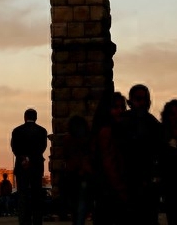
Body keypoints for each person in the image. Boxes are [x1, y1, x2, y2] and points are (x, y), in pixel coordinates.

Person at [120, 85, 163, 225]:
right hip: (127, 181)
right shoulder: (122, 122)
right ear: (130, 101)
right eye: (139, 99)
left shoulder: (153, 123)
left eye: (145, 99)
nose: (142, 103)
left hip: (147, 182)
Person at [91, 91, 127, 225]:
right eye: (116, 107)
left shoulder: (108, 129)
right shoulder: (107, 131)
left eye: (122, 107)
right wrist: (122, 189)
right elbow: (109, 164)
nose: (120, 111)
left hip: (106, 191)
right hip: (111, 192)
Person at [10, 108, 48, 225]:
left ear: (25, 117)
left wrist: (24, 158)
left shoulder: (16, 131)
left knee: (22, 195)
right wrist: (31, 159)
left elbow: (14, 147)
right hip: (36, 166)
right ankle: (37, 220)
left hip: (22, 166)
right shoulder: (42, 131)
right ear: (36, 118)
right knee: (37, 195)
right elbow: (42, 147)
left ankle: (24, 221)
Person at [60, 115, 93, 225]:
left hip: (72, 175)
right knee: (83, 204)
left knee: (75, 206)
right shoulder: (88, 139)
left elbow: (65, 156)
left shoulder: (67, 140)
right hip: (84, 174)